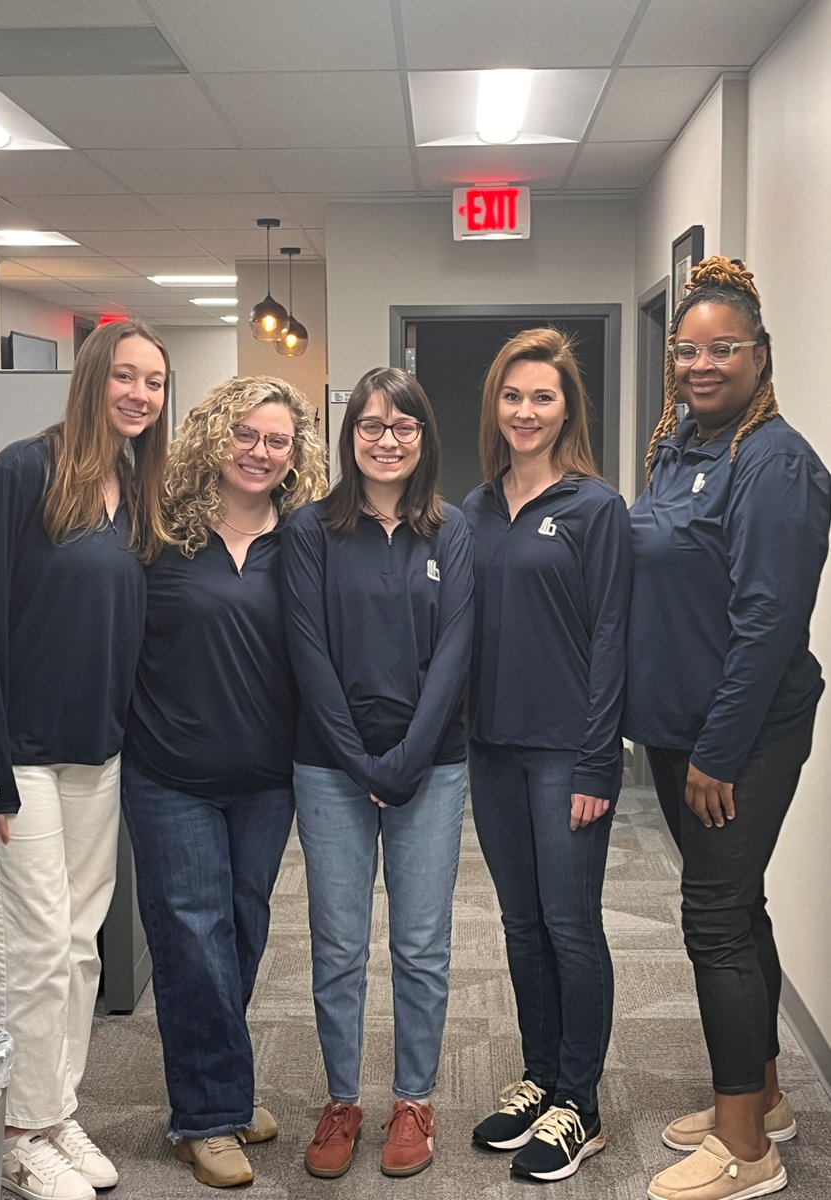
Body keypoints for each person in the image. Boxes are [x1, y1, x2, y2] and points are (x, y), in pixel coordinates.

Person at [624, 257, 830, 1200]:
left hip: (739, 735)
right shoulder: (680, 443)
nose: (701, 363)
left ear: (761, 356)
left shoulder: (777, 463)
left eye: (723, 349)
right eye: (687, 348)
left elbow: (767, 623)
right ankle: (766, 1097)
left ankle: (749, 1150)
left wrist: (717, 750)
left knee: (711, 919)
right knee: (737, 907)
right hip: (679, 729)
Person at [0, 319, 170, 1200]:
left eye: (155, 382)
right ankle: (17, 1135)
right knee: (34, 950)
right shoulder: (24, 471)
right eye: (125, 376)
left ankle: (56, 1111)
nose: (139, 393)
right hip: (23, 757)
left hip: (99, 753)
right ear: (93, 377)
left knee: (82, 949)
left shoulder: (134, 488)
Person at [120, 376, 326, 1188]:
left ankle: (222, 1088)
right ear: (214, 436)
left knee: (240, 930)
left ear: (294, 454)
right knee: (191, 936)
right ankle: (205, 1114)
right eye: (246, 434)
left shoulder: (303, 539)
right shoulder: (160, 534)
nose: (260, 452)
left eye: (278, 441)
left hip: (267, 778)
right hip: (170, 773)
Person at [281, 367, 473, 1180]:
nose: (386, 440)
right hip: (330, 766)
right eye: (370, 425)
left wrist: (407, 760)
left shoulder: (451, 530)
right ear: (349, 435)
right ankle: (341, 1100)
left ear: (424, 438)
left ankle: (415, 1099)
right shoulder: (311, 530)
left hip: (432, 767)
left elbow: (459, 648)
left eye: (403, 426)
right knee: (337, 944)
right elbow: (308, 652)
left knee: (423, 944)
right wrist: (359, 759)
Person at [464, 328, 632, 1183]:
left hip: (568, 752)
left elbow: (611, 638)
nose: (526, 411)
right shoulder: (475, 507)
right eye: (513, 396)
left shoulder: (596, 507)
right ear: (495, 404)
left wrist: (601, 762)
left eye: (544, 397)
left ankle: (582, 1104)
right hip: (491, 751)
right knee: (521, 925)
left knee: (571, 927)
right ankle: (538, 1076)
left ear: (567, 408)